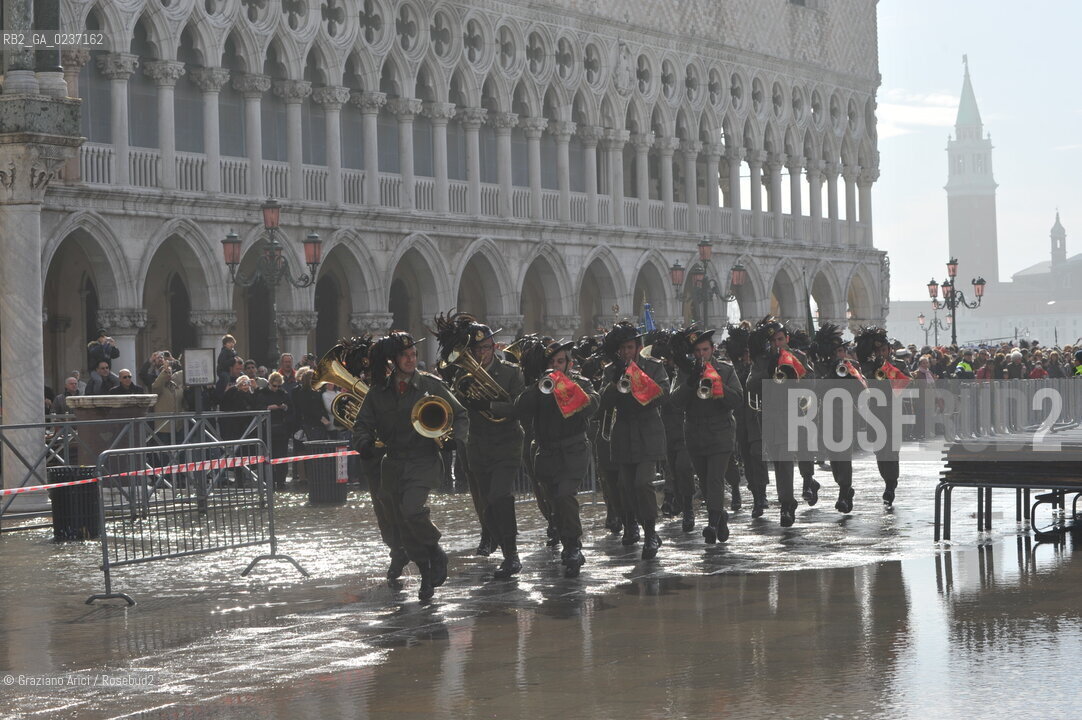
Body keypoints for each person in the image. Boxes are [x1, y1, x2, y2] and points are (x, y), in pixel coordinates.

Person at [353, 331, 469, 601]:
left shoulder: (430, 384)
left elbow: (460, 414)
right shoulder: (379, 391)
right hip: (392, 463)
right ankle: (426, 572)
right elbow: (362, 424)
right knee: (401, 523)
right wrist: (364, 442)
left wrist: (456, 440)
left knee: (412, 509)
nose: (411, 359)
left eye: (414, 354)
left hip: (423, 459)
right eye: (405, 355)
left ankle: (435, 548)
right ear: (393, 360)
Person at [435, 314, 525, 580]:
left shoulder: (511, 372)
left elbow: (518, 407)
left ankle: (512, 555)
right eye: (476, 350)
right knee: (486, 502)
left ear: (494, 347)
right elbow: (455, 409)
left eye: (486, 348)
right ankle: (497, 539)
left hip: (507, 444)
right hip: (478, 446)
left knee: (500, 496)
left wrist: (488, 405)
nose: (481, 354)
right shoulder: (462, 376)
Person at [598, 320, 668, 559]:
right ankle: (634, 525)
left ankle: (650, 533)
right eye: (622, 349)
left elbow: (662, 395)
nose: (626, 352)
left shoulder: (653, 367)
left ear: (638, 347)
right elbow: (603, 404)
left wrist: (636, 377)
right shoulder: (611, 370)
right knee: (626, 488)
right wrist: (616, 382)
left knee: (642, 483)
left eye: (630, 347)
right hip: (624, 434)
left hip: (648, 433)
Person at [670, 328, 744, 542]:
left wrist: (720, 387)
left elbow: (738, 399)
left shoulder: (726, 370)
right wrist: (691, 382)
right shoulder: (686, 372)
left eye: (705, 349)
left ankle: (712, 523)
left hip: (720, 431)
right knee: (703, 480)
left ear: (713, 349)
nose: (701, 354)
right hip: (695, 433)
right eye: (697, 351)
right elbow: (675, 401)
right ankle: (720, 516)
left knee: (714, 479)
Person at [254, 371, 291, 489]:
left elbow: (291, 408)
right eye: (275, 386)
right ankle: (268, 481)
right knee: (267, 455)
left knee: (281, 456)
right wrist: (268, 408)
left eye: (279, 386)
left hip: (281, 428)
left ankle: (281, 481)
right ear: (269, 383)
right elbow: (258, 407)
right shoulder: (262, 393)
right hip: (267, 429)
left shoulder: (283, 393)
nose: (277, 388)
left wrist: (285, 408)